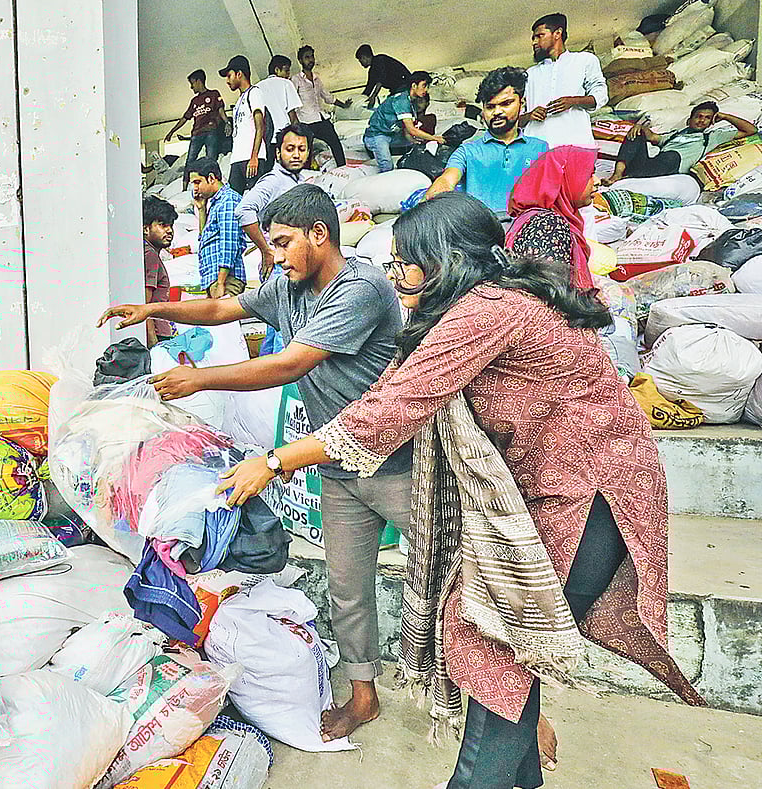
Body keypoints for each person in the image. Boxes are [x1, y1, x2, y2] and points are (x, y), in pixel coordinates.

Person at [216, 192, 703, 788]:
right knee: (494, 645)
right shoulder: (475, 308)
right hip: (550, 494)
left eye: (405, 262)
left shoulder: (487, 309)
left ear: (443, 261)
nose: (396, 276)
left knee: (491, 648)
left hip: (590, 498)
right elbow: (396, 384)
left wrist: (277, 459)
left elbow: (394, 406)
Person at [100, 184, 411, 740]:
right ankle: (365, 697)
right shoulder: (290, 282)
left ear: (320, 234)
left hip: (396, 456)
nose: (278, 254)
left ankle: (502, 703)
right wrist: (155, 307)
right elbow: (226, 307)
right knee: (347, 584)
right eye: (273, 243)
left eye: (286, 242)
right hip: (336, 457)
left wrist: (199, 378)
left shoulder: (358, 287)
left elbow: (290, 364)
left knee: (457, 572)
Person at [426, 67, 550, 217]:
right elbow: (447, 178)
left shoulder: (540, 148)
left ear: (521, 103)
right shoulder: (467, 151)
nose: (497, 112)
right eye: (490, 107)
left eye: (506, 103)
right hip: (483, 230)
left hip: (528, 229)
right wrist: (435, 196)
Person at [505, 145, 599, 290]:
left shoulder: (559, 219)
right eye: (589, 174)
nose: (597, 181)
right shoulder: (547, 226)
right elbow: (548, 292)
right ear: (566, 179)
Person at [606, 101, 757, 184]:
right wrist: (640, 127)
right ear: (689, 120)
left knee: (672, 156)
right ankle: (618, 175)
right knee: (636, 134)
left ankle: (631, 178)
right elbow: (653, 137)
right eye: (698, 116)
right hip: (651, 166)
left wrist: (725, 116)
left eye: (707, 118)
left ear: (711, 122)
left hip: (671, 168)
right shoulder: (675, 134)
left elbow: (751, 130)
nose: (701, 120)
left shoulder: (713, 136)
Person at [237, 123, 311, 282]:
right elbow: (243, 210)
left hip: (297, 262)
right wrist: (266, 250)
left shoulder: (300, 181)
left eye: (301, 149)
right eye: (290, 149)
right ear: (278, 153)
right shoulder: (274, 181)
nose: (296, 155)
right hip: (280, 266)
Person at [522, 13, 607, 149]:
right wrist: (529, 116)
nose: (534, 42)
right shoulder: (529, 74)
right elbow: (515, 117)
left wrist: (574, 101)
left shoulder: (584, 60)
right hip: (536, 147)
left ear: (557, 34)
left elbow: (601, 96)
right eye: (533, 38)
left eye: (539, 36)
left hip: (577, 144)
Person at [188, 157, 247, 298]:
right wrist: (202, 209)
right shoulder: (215, 203)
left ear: (211, 178)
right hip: (216, 279)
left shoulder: (227, 201)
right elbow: (204, 240)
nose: (195, 188)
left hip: (226, 280)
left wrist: (220, 282)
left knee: (225, 320)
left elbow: (229, 243)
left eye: (197, 182)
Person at [364, 71, 446, 172]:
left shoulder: (412, 101)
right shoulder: (402, 100)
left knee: (418, 144)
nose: (426, 90)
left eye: (427, 86)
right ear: (414, 85)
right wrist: (434, 138)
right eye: (424, 86)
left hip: (392, 134)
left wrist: (412, 140)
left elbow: (407, 128)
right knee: (387, 166)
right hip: (377, 135)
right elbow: (412, 129)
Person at [164, 70, 229, 188]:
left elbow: (221, 111)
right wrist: (172, 131)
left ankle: (212, 185)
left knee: (211, 160)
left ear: (199, 81)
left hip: (211, 131)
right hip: (197, 134)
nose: (191, 87)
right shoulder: (194, 101)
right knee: (190, 160)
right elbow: (185, 118)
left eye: (192, 83)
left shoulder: (214, 94)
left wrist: (227, 123)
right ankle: (184, 188)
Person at [292, 46, 353, 169]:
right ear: (300, 60)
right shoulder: (296, 80)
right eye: (307, 57)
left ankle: (343, 169)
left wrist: (343, 105)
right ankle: (308, 176)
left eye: (312, 56)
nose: (311, 60)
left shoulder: (317, 78)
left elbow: (327, 96)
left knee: (335, 143)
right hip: (305, 122)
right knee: (306, 152)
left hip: (320, 118)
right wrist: (295, 123)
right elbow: (291, 102)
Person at [219, 55, 270, 195]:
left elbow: (261, 127)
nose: (227, 81)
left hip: (251, 158)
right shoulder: (239, 101)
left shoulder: (254, 93)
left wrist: (254, 157)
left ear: (239, 74)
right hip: (237, 158)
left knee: (254, 200)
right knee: (234, 199)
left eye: (229, 76)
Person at [142, 196, 178, 347]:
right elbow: (145, 304)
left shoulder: (149, 252)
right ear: (146, 228)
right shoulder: (150, 255)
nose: (169, 230)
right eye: (162, 225)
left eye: (170, 225)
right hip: (157, 334)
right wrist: (153, 343)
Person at [255, 56, 303, 164]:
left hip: (266, 139)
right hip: (284, 137)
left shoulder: (257, 88)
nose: (288, 74)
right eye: (286, 70)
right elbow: (293, 116)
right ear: (277, 70)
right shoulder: (286, 83)